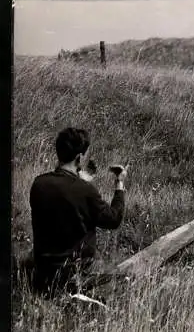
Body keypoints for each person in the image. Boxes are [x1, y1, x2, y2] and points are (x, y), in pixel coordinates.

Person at [28, 127, 128, 298]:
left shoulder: (38, 184)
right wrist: (120, 185)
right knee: (125, 276)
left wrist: (79, 179)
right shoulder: (85, 190)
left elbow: (62, 189)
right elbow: (113, 219)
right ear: (79, 157)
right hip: (74, 273)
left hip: (43, 271)